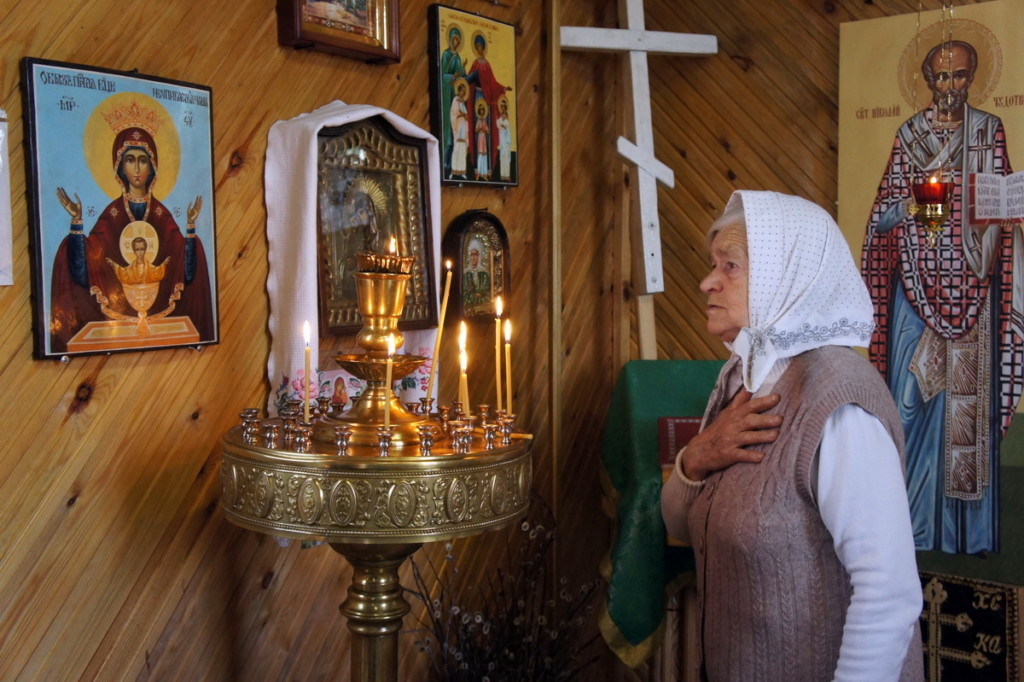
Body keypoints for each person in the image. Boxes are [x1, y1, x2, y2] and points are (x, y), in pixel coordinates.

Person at [662, 191, 923, 681]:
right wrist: (695, 458)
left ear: (788, 273)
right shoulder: (741, 379)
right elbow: (677, 523)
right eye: (712, 264)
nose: (706, 282)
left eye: (730, 266)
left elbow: (888, 592)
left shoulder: (839, 399)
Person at [861, 39, 1024, 554]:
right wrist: (914, 203)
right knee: (908, 405)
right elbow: (881, 220)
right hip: (914, 290)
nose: (950, 88)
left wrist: (1005, 217)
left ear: (971, 78)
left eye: (959, 77)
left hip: (975, 287)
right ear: (928, 81)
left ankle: (961, 539)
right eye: (941, 78)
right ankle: (906, 532)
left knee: (964, 413)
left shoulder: (988, 131)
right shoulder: (909, 136)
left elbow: (1003, 203)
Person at [50, 111, 214, 352]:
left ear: (153, 166)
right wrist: (76, 222)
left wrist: (190, 229)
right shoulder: (112, 214)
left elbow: (185, 270)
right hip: (116, 328)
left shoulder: (161, 215)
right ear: (119, 167)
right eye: (130, 159)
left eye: (143, 160)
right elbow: (85, 270)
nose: (137, 167)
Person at [467, 32, 512, 174]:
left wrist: (503, 88)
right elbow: (469, 79)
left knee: (488, 130)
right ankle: (477, 167)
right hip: (477, 97)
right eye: (477, 46)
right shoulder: (475, 63)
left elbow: (492, 83)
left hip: (486, 99)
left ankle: (487, 167)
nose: (479, 49)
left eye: (481, 46)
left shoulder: (487, 64)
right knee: (477, 126)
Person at [440, 24, 467, 176]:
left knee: (455, 132)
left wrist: (462, 71)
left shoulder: (457, 57)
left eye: (458, 41)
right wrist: (452, 77)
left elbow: (462, 77)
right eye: (454, 40)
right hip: (446, 94)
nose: (456, 43)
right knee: (447, 129)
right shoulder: (445, 55)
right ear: (450, 39)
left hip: (455, 94)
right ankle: (445, 162)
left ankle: (453, 164)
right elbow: (442, 76)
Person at [450, 79, 470, 180]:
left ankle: (462, 171)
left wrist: (465, 116)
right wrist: (463, 114)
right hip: (458, 126)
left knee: (462, 148)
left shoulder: (462, 102)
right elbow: (454, 113)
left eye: (463, 91)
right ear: (458, 90)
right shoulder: (456, 100)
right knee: (457, 148)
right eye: (461, 90)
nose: (462, 92)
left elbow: (465, 116)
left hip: (463, 127)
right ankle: (453, 170)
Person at [462, 238, 490, 310]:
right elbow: (465, 288)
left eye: (476, 255)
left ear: (479, 256)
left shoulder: (484, 273)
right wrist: (472, 293)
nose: (474, 258)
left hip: (482, 300)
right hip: (469, 299)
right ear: (469, 257)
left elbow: (486, 288)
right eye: (472, 255)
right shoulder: (466, 273)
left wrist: (481, 293)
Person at [496, 95, 512, 182]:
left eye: (503, 107)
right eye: (501, 107)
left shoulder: (506, 116)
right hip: (502, 137)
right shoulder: (500, 116)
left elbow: (507, 127)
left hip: (506, 139)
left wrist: (504, 126)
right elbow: (498, 124)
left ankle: (507, 175)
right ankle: (502, 175)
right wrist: (501, 125)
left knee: (506, 156)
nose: (502, 109)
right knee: (502, 157)